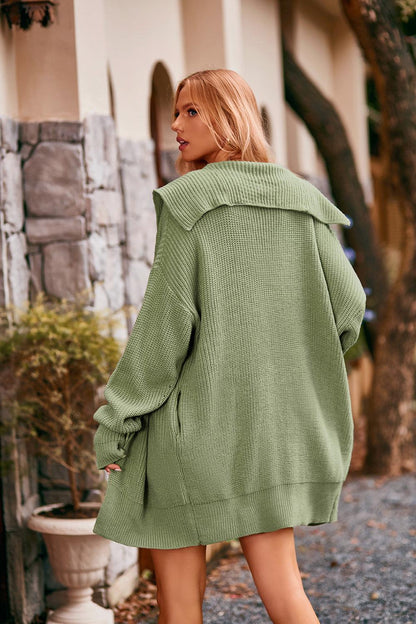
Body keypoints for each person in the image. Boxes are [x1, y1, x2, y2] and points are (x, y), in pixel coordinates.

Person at [92, 69, 367, 624]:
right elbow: (349, 305)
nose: (176, 124)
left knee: (180, 607)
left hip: (192, 435)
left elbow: (164, 330)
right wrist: (291, 358)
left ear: (231, 116)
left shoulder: (188, 200)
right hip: (272, 434)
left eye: (192, 111)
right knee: (286, 593)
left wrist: (115, 421)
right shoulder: (301, 196)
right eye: (176, 111)